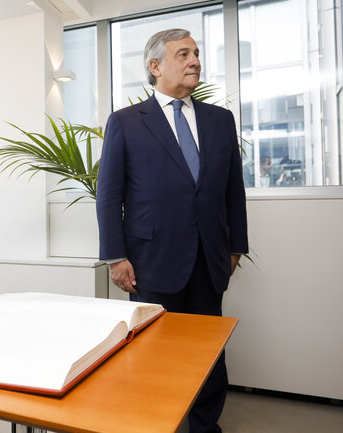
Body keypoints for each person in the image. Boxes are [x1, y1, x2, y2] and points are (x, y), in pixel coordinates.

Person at [96, 29, 248, 433]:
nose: (195, 60)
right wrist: (115, 255)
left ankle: (202, 426)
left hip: (210, 259)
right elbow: (108, 195)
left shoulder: (220, 120)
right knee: (154, 352)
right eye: (183, 54)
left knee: (208, 354)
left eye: (196, 53)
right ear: (155, 66)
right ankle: (155, 423)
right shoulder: (126, 122)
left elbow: (234, 191)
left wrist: (235, 248)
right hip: (150, 261)